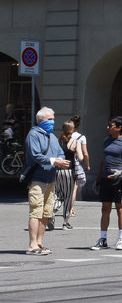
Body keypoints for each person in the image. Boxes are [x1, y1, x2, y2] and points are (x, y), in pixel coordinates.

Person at [21, 107, 70, 255]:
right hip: (37, 179)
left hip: (50, 179)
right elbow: (36, 155)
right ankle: (32, 245)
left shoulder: (52, 137)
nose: (53, 122)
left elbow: (60, 152)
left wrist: (61, 160)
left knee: (46, 212)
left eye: (53, 119)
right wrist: (55, 161)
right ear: (41, 120)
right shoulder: (33, 135)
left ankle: (40, 243)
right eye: (50, 119)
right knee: (36, 211)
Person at [91, 116, 122, 251]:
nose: (108, 127)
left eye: (110, 125)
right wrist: (97, 179)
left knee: (119, 209)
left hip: (118, 180)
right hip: (105, 179)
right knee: (105, 209)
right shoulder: (107, 141)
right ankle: (103, 239)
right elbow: (103, 161)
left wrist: (121, 172)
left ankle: (121, 239)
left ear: (118, 127)